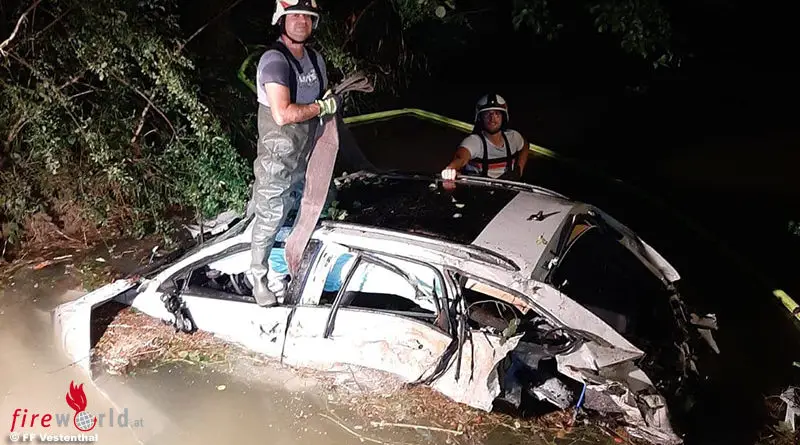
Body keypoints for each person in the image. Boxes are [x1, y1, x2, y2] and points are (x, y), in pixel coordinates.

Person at [248, 0, 342, 307]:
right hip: (278, 156)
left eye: (308, 16)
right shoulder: (274, 61)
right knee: (271, 213)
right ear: (282, 20)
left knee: (314, 206)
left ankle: (298, 262)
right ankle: (258, 277)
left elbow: (322, 95)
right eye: (295, 15)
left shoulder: (315, 59)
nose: (302, 21)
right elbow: (283, 114)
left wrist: (331, 100)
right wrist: (320, 107)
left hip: (308, 152)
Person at [441, 93, 529, 182]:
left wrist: (519, 169)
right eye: (487, 114)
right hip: (477, 189)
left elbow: (525, 145)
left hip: (508, 189)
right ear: (480, 118)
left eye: (497, 114)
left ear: (503, 117)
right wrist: (451, 168)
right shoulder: (474, 141)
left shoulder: (513, 138)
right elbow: (461, 158)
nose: (492, 118)